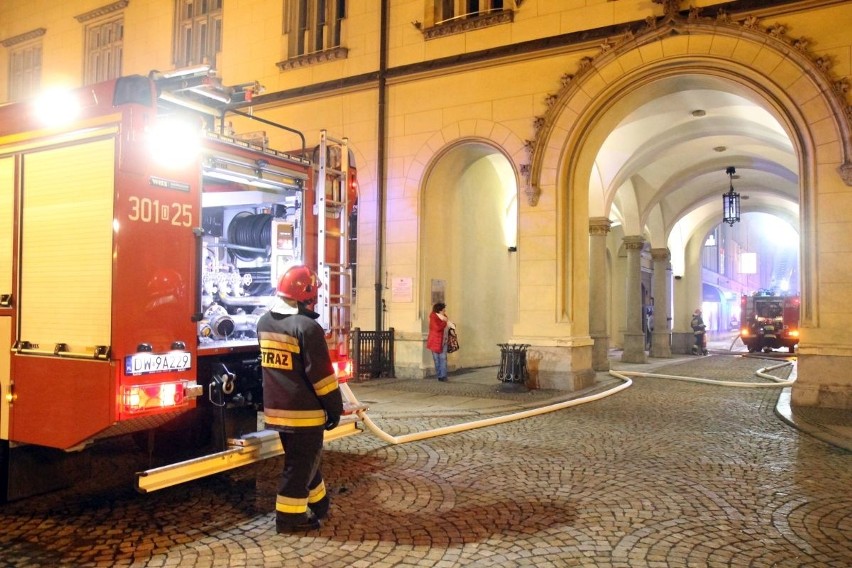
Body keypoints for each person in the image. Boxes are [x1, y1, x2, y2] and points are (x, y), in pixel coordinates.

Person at [257, 265, 343, 533]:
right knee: (298, 465)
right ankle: (289, 518)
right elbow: (322, 377)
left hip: (277, 410)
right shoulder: (307, 327)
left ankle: (319, 503)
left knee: (304, 459)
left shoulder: (264, 322)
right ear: (306, 296)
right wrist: (334, 408)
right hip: (304, 412)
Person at [426, 302, 455, 382]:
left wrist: (451, 328)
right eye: (443, 310)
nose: (445, 311)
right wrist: (444, 322)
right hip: (435, 341)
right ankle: (439, 375)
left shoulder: (443, 317)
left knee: (443, 358)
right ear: (439, 310)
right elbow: (437, 328)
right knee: (437, 359)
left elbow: (448, 325)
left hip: (443, 341)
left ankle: (443, 376)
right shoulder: (433, 317)